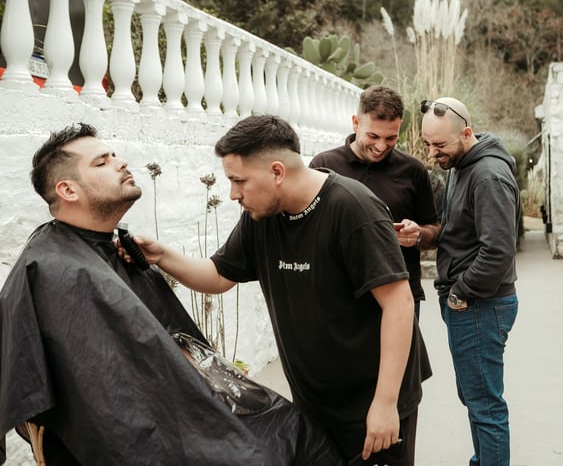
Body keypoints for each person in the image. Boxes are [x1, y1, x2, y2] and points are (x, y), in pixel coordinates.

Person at [0, 123, 344, 466]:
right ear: (68, 190)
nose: (121, 162)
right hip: (152, 438)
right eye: (102, 162)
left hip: (186, 414)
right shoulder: (52, 272)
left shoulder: (113, 249)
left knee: (299, 432)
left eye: (114, 155)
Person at [133, 114, 432, 465]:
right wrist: (161, 255)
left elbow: (399, 304)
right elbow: (218, 275)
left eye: (239, 181)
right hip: (314, 404)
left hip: (371, 403)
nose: (233, 194)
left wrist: (385, 404)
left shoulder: (353, 209)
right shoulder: (262, 217)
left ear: (277, 172)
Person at [420, 98, 520, 466]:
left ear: (466, 133)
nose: (432, 153)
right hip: (471, 304)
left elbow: (498, 251)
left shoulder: (488, 175)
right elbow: (459, 231)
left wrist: (460, 292)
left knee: (485, 405)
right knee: (475, 398)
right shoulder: (461, 165)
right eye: (428, 144)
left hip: (479, 305)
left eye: (439, 145)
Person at [309, 85, 440, 318]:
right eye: (373, 136)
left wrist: (418, 234)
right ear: (356, 123)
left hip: (401, 298)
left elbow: (435, 231)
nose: (381, 147)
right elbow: (308, 233)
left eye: (391, 138)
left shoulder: (414, 171)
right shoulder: (324, 166)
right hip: (340, 299)